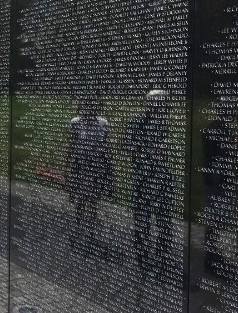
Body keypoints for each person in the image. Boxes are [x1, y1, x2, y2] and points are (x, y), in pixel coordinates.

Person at [123, 89, 175, 276]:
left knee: (164, 218)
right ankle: (142, 254)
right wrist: (150, 151)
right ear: (151, 103)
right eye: (162, 102)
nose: (165, 106)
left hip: (161, 176)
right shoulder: (137, 120)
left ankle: (162, 254)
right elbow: (127, 145)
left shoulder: (162, 122)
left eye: (166, 103)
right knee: (142, 219)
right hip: (143, 177)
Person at [66, 95, 112, 255]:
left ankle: (90, 231)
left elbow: (106, 147)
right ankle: (78, 226)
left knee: (92, 201)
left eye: (92, 105)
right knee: (80, 199)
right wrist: (68, 169)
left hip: (95, 166)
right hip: (80, 166)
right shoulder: (75, 123)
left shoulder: (103, 123)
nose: (89, 108)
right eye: (86, 105)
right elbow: (71, 146)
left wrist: (109, 171)